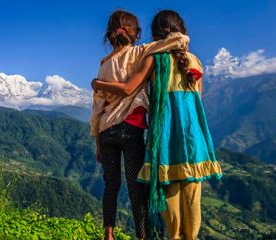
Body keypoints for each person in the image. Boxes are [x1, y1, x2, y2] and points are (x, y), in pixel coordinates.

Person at [91, 10, 222, 240]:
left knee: (165, 192)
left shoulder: (153, 59)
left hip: (164, 136)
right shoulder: (196, 63)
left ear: (155, 35)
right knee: (191, 196)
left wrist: (97, 83)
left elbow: (125, 90)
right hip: (193, 137)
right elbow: (197, 101)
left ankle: (157, 236)